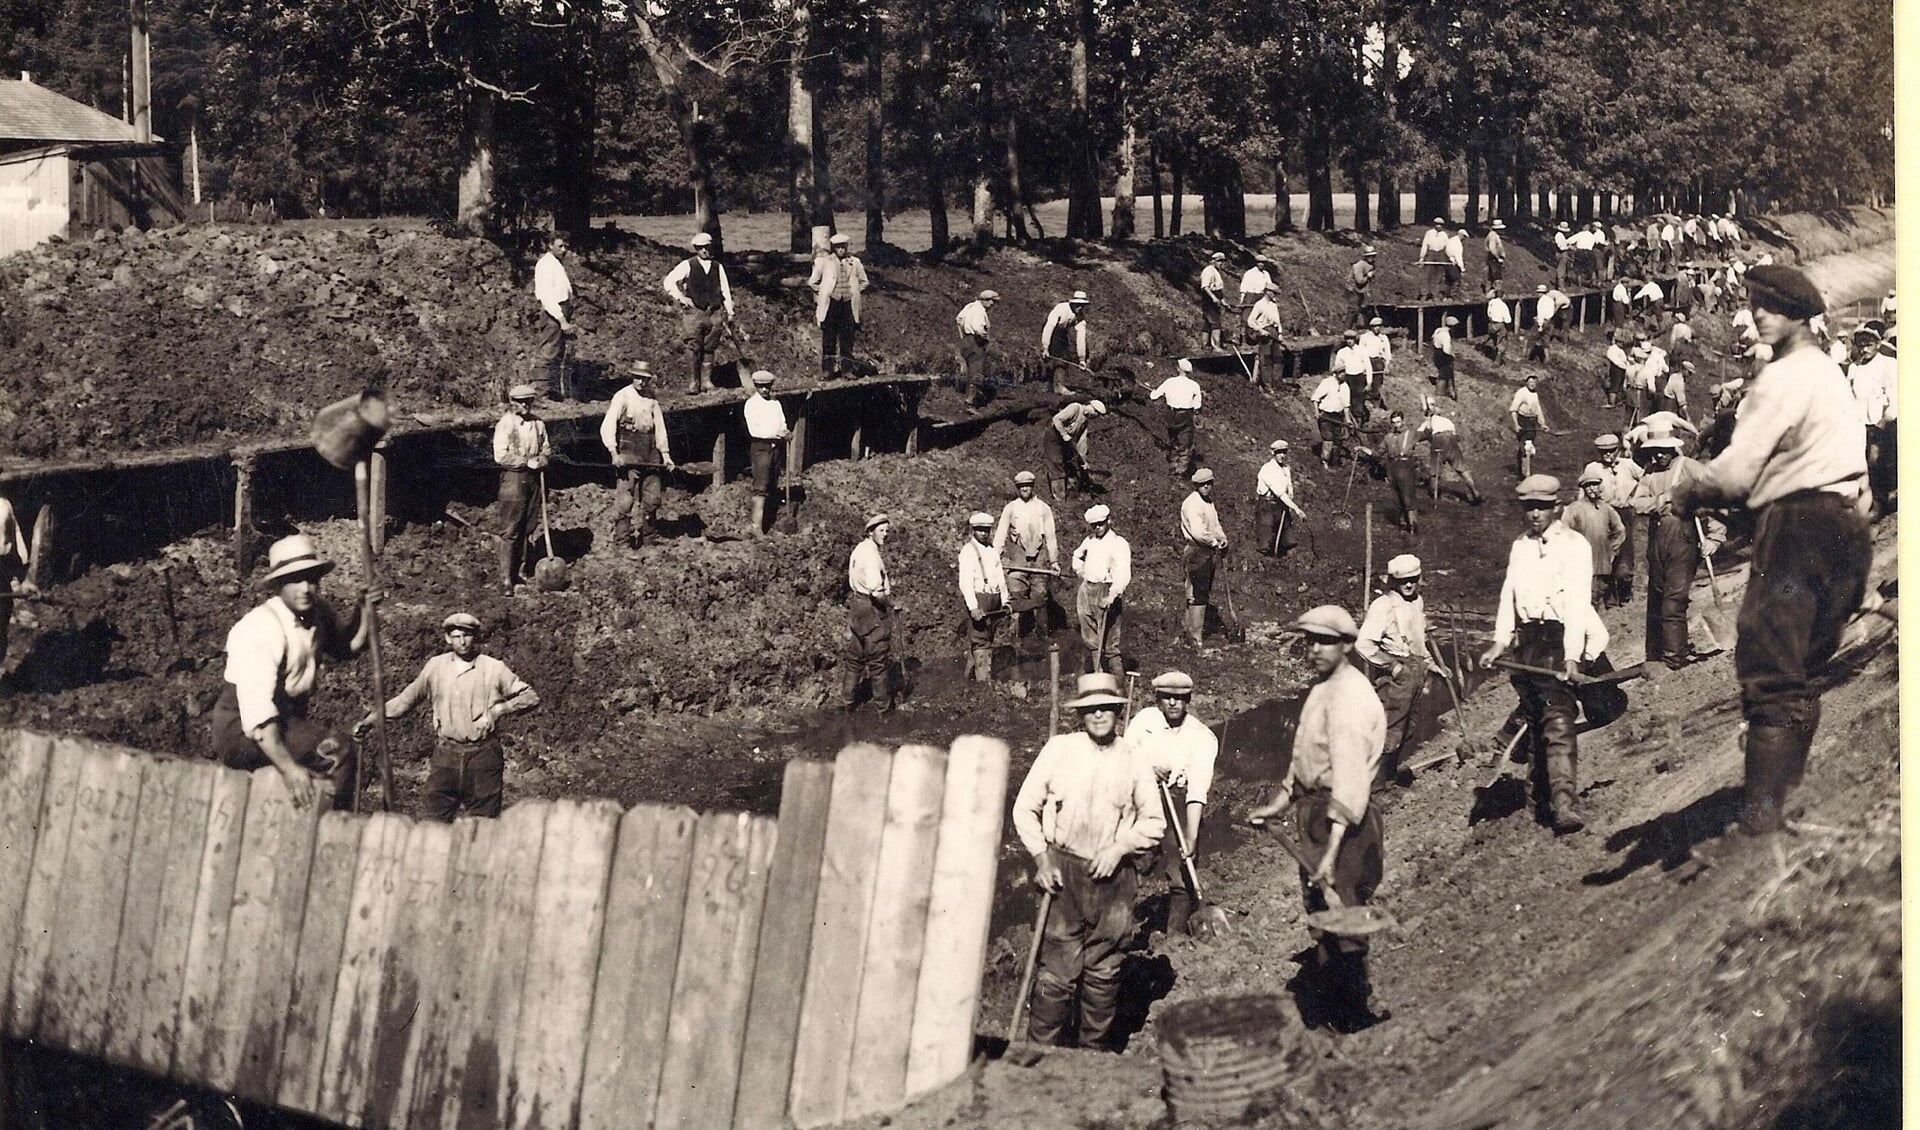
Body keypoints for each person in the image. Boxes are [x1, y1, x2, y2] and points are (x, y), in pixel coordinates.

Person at [1671, 265, 1871, 840]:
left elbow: (1735, 473)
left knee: (1769, 665)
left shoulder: (1781, 377)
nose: (1760, 314)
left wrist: (1688, 491)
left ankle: (1759, 821)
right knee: (1804, 667)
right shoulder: (1832, 373)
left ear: (1800, 315)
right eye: (1756, 303)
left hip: (1797, 530)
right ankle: (1777, 801)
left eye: (1773, 306)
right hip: (1846, 529)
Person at [1246, 605, 1388, 1032]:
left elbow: (1348, 778)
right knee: (1323, 913)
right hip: (1317, 813)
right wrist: (1281, 800)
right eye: (1309, 641)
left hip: (1340, 819)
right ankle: (1334, 1013)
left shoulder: (1348, 698)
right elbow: (1305, 758)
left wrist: (1331, 848)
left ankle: (1350, 1018)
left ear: (1347, 645)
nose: (1314, 649)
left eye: (1324, 641)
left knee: (1341, 914)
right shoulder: (1323, 689)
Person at [1012, 673, 1164, 1049]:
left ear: (1117, 711)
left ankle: (1090, 1058)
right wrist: (1042, 858)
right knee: (1056, 974)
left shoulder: (1133, 757)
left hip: (1114, 879)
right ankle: (1039, 1056)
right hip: (1064, 875)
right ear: (1080, 714)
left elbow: (1155, 822)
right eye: (1090, 709)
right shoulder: (1059, 750)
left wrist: (1119, 848)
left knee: (1104, 971)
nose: (1098, 715)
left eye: (1106, 708)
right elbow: (1024, 809)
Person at [212, 535, 373, 812]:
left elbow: (348, 647)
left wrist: (365, 610)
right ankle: (328, 830)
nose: (306, 588)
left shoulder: (317, 613)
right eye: (296, 580)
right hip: (241, 729)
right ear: (278, 585)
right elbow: (259, 717)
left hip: (285, 720)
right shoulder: (260, 629)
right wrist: (289, 768)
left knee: (328, 749)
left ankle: (320, 816)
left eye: (312, 579)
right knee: (338, 751)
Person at [1479, 474, 1593, 834]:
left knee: (1557, 719)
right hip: (1527, 642)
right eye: (1528, 507)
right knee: (1533, 713)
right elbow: (1507, 595)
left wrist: (1572, 655)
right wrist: (1500, 641)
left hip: (1558, 638)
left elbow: (1578, 604)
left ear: (1557, 507)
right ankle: (1537, 796)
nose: (1534, 514)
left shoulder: (1574, 545)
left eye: (1542, 507)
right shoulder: (1521, 546)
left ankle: (1564, 803)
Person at [356, 612, 539, 820]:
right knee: (434, 825)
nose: (462, 641)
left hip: (483, 757)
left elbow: (530, 696)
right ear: (448, 638)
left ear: (476, 636)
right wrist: (371, 719)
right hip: (446, 756)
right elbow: (404, 702)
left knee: (483, 827)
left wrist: (498, 710)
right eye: (457, 636)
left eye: (467, 635)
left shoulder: (493, 668)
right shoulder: (436, 667)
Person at [1126, 670, 1219, 937]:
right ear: (1158, 700)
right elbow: (1122, 756)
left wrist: (1191, 838)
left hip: (1176, 801)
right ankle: (1120, 930)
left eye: (1179, 698)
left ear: (1188, 699)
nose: (1173, 703)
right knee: (1128, 862)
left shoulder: (1202, 737)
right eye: (1166, 698)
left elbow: (1197, 790)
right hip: (1139, 798)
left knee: (1182, 871)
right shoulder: (1144, 721)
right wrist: (1145, 768)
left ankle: (1175, 937)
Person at [1629, 429, 1705, 668]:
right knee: (1658, 595)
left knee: (1674, 599)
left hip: (1683, 535)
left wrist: (1715, 536)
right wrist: (1661, 499)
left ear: (1673, 448)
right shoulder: (1649, 473)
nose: (1659, 455)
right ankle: (1660, 654)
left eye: (1664, 450)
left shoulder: (1688, 466)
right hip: (1657, 538)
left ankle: (1673, 658)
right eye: (1655, 451)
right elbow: (1637, 502)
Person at [1357, 556, 1428, 783]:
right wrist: (1394, 666)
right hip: (1395, 676)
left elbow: (1419, 641)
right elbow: (1364, 644)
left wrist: (1432, 663)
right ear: (1393, 582)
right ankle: (1375, 787)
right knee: (1389, 730)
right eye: (1403, 581)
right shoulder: (1383, 606)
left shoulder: (1417, 602)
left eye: (1413, 580)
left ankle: (1388, 778)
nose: (1408, 585)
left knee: (1407, 729)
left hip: (1416, 670)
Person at [600, 361, 675, 549]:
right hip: (629, 447)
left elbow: (660, 427)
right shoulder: (622, 396)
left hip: (650, 449)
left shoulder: (651, 398)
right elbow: (608, 424)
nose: (641, 382)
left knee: (652, 498)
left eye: (644, 379)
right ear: (632, 376)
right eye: (637, 378)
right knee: (626, 499)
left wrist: (665, 454)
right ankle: (623, 542)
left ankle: (649, 538)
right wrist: (613, 452)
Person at [493, 384, 552, 595]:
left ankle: (521, 571)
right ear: (513, 403)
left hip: (534, 479)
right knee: (510, 529)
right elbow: (500, 455)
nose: (525, 405)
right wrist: (526, 462)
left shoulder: (538, 423)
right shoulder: (506, 424)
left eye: (529, 401)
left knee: (528, 526)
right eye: (521, 402)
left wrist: (543, 458)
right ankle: (506, 579)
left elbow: (546, 447)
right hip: (513, 478)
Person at [662, 232, 737, 395]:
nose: (704, 251)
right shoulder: (688, 265)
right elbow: (669, 281)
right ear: (696, 249)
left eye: (707, 247)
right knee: (693, 345)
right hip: (695, 312)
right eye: (700, 248)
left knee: (710, 346)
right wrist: (681, 298)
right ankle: (693, 382)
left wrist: (729, 311)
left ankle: (707, 381)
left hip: (714, 312)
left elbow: (725, 290)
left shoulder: (718, 267)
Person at [995, 470, 1061, 646]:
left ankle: (1042, 635)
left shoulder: (1043, 508)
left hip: (1038, 558)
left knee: (1040, 596)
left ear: (1032, 487)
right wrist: (995, 557)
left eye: (1027, 486)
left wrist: (1054, 561)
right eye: (1021, 486)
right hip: (1018, 558)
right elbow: (1001, 534)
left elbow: (1051, 536)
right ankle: (1016, 637)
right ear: (1017, 488)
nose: (1025, 489)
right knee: (1017, 596)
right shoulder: (1011, 508)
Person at [845, 514, 900, 712]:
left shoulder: (859, 549)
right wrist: (891, 604)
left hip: (857, 607)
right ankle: (883, 709)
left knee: (855, 657)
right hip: (872, 608)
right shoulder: (871, 556)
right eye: (881, 531)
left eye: (887, 531)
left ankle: (848, 702)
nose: (885, 535)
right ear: (870, 532)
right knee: (878, 661)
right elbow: (876, 592)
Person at [1071, 504, 1131, 677]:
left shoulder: (1118, 543)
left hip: (1106, 591)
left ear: (1109, 521)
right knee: (1091, 639)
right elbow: (1077, 555)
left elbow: (1122, 574)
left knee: (1110, 642)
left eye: (1100, 524)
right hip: (1087, 590)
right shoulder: (1089, 541)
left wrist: (1111, 596)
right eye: (1093, 525)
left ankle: (1118, 688)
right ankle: (1099, 680)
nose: (1097, 528)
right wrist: (1081, 571)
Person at [1178, 468, 1229, 647]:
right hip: (1196, 551)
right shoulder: (1193, 504)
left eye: (1209, 483)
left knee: (1200, 593)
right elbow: (1199, 533)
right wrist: (1214, 542)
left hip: (1207, 550)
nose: (1206, 487)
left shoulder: (1208, 502)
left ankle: (1190, 634)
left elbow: (1214, 524)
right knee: (1197, 595)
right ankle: (1195, 638)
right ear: (1196, 485)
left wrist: (1222, 538)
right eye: (1202, 484)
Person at [809, 233, 869, 378]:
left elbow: (864, 281)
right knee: (829, 339)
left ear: (847, 247)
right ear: (833, 248)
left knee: (847, 339)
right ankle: (828, 370)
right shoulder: (823, 262)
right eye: (838, 247)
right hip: (831, 305)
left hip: (848, 305)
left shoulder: (854, 262)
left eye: (843, 247)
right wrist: (825, 292)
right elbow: (812, 282)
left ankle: (847, 370)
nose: (841, 250)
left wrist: (853, 292)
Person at [1563, 470, 1626, 608]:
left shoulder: (1606, 508)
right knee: (1583, 597)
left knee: (1597, 594)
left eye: (1595, 485)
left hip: (1602, 561)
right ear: (1583, 488)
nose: (1592, 488)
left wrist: (1612, 550)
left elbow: (1619, 530)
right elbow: (1564, 532)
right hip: (1581, 562)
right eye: (1588, 486)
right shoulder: (1574, 509)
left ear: (1599, 487)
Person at [958, 511, 1009, 683]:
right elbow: (965, 582)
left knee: (988, 637)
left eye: (987, 530)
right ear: (973, 530)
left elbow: (1000, 577)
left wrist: (1005, 599)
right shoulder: (968, 551)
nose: (984, 533)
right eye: (980, 530)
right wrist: (973, 607)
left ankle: (969, 677)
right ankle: (983, 685)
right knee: (980, 640)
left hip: (994, 598)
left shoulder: (991, 550)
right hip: (980, 598)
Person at [743, 370, 791, 535]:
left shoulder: (775, 403)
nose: (765, 390)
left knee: (772, 484)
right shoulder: (752, 404)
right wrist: (775, 434)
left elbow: (782, 422)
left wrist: (785, 431)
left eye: (767, 387)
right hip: (761, 447)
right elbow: (754, 430)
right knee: (760, 486)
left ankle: (769, 521)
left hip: (776, 447)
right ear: (756, 386)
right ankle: (756, 526)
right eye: (761, 387)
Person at [532, 231, 576, 400]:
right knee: (548, 352)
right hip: (553, 314)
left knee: (557, 353)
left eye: (566, 246)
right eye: (560, 246)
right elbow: (547, 296)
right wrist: (562, 320)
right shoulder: (545, 265)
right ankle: (541, 394)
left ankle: (553, 393)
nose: (564, 250)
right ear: (550, 245)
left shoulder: (556, 264)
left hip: (561, 311)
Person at [1418, 400, 1483, 504]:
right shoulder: (1447, 420)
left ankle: (1434, 496)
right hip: (1452, 441)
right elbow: (1454, 434)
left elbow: (1420, 436)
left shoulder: (1427, 423)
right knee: (1462, 469)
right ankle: (1475, 492)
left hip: (1439, 440)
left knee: (1435, 471)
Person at [1150, 359, 1204, 476]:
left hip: (1171, 415)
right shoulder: (1194, 385)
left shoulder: (1169, 382)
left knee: (1173, 438)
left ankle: (1173, 464)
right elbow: (1197, 405)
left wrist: (1155, 392)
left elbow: (1154, 396)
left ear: (1178, 369)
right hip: (1185, 415)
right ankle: (1181, 470)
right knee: (1185, 443)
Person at [1046, 398, 1107, 499]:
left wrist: (1083, 461)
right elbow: (1056, 419)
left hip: (1066, 441)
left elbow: (1081, 442)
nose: (1096, 417)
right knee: (1056, 463)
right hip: (1054, 436)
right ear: (1093, 409)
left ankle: (1071, 494)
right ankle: (1059, 496)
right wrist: (1064, 434)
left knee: (1070, 464)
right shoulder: (1075, 408)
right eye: (1097, 414)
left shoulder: (1084, 422)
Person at [1255, 440, 1306, 558]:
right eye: (1279, 452)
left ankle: (1291, 559)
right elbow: (1280, 493)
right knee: (1266, 533)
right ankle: (1264, 561)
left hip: (1281, 504)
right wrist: (1297, 509)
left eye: (1284, 452)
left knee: (1287, 532)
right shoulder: (1267, 469)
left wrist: (1291, 492)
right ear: (1273, 452)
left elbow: (1288, 486)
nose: (1282, 455)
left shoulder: (1286, 469)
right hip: (1266, 505)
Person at [1041, 290, 1092, 393]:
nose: (1080, 307)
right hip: (1052, 329)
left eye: (1082, 305)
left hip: (1062, 332)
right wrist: (1045, 347)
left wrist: (1081, 359)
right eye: (1078, 305)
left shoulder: (1080, 317)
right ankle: (1058, 386)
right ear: (1072, 303)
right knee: (1059, 356)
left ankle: (1056, 384)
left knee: (1065, 355)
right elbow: (1049, 326)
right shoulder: (1061, 309)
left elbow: (1080, 338)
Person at [1380, 410, 1422, 534]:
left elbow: (1427, 433)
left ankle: (1413, 527)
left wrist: (1430, 418)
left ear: (1402, 421)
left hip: (1405, 466)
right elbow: (1378, 452)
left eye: (1398, 422)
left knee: (1408, 498)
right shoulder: (1388, 437)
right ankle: (1403, 527)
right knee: (1396, 499)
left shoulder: (1411, 433)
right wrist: (1363, 449)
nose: (1396, 425)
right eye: (1393, 423)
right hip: (1392, 467)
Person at [955, 289, 998, 408]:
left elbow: (958, 320)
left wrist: (963, 335)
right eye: (991, 301)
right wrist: (984, 336)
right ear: (984, 300)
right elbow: (978, 327)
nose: (992, 304)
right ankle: (969, 402)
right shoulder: (979, 311)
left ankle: (971, 396)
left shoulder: (969, 307)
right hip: (975, 341)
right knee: (976, 372)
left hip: (966, 341)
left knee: (971, 369)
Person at [1309, 370, 1352, 468]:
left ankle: (1336, 463)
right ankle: (1325, 462)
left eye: (1344, 373)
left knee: (1338, 440)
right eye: (1341, 373)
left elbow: (1346, 406)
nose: (1343, 375)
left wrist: (1348, 420)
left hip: (1338, 416)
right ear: (1336, 373)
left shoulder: (1345, 386)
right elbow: (1315, 398)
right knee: (1328, 439)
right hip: (1326, 415)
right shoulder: (1327, 383)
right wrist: (1316, 411)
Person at [1508, 374, 1549, 475]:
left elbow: (1537, 409)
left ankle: (1525, 471)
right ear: (1526, 382)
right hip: (1523, 420)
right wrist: (1516, 424)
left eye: (1534, 383)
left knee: (1530, 446)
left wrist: (1543, 424)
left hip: (1532, 422)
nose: (1532, 385)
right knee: (1525, 446)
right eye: (1530, 382)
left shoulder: (1535, 394)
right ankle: (1523, 474)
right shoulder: (1521, 393)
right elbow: (1513, 409)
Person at [1245, 286, 1286, 387]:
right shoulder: (1259, 305)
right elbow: (1250, 321)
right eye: (1273, 293)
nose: (1274, 295)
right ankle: (1267, 385)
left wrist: (1280, 333)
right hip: (1265, 334)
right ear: (1267, 292)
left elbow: (1278, 321)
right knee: (1266, 360)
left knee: (1278, 358)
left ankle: (1277, 383)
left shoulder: (1273, 305)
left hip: (1274, 332)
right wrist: (1261, 330)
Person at [1335, 329, 1372, 421]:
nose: (1349, 341)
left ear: (1355, 339)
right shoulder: (1342, 352)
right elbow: (1337, 368)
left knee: (1359, 399)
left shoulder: (1362, 350)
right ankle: (1349, 421)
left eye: (1351, 339)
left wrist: (1369, 382)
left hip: (1359, 378)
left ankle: (1359, 420)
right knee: (1347, 399)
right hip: (1347, 378)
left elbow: (1368, 367)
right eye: (1347, 339)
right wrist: (1337, 382)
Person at [1199, 252, 1228, 350]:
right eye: (1219, 261)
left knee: (1207, 323)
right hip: (1209, 299)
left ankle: (1205, 345)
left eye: (1222, 261)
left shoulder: (1217, 271)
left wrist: (1223, 300)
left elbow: (1218, 289)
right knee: (1215, 323)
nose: (1221, 263)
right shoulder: (1208, 271)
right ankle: (1216, 346)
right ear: (1213, 261)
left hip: (1215, 298)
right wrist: (1213, 297)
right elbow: (1205, 287)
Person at [1359, 317, 1393, 398]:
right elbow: (1360, 351)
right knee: (1365, 379)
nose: (1377, 328)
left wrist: (1387, 366)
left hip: (1378, 361)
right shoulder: (1364, 337)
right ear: (1371, 327)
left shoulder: (1383, 338)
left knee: (1377, 382)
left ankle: (1375, 399)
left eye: (1379, 326)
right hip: (1367, 360)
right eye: (1375, 326)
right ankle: (1365, 397)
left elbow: (1387, 353)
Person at [1430, 316, 1459, 400]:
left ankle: (1444, 391)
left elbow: (1432, 339)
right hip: (1443, 356)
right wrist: (1452, 355)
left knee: (1443, 374)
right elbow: (1446, 350)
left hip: (1436, 353)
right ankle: (1440, 393)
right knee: (1443, 375)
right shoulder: (1446, 335)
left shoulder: (1438, 330)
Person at [1347, 246, 1377, 326]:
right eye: (1369, 256)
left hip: (1361, 289)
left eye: (1373, 256)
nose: (1371, 258)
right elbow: (1359, 281)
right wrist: (1368, 276)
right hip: (1354, 289)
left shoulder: (1371, 265)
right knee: (1353, 309)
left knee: (1362, 308)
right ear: (1365, 256)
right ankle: (1347, 329)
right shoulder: (1359, 265)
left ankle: (1359, 326)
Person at [1603, 332, 1630, 410]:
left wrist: (1626, 364)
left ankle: (1618, 400)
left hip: (1622, 368)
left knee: (1620, 385)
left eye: (1622, 342)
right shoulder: (1612, 349)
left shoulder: (1621, 350)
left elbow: (1624, 359)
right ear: (1616, 341)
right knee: (1615, 384)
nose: (1621, 343)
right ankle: (1611, 402)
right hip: (1616, 369)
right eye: (1620, 342)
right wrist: (1622, 364)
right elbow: (1614, 360)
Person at [1486, 287, 1512, 363]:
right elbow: (1508, 320)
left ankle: (1494, 354)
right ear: (1502, 296)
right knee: (1502, 343)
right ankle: (1497, 362)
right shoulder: (1503, 306)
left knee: (1494, 340)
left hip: (1491, 324)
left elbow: (1489, 314)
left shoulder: (1491, 303)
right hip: (1499, 325)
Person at [1530, 285, 1555, 362]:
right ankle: (1546, 357)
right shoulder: (1550, 300)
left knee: (1532, 338)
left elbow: (1541, 313)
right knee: (1546, 339)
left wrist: (1540, 325)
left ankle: (1529, 357)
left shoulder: (1541, 302)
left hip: (1542, 322)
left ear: (1540, 293)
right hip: (1549, 321)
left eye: (1538, 293)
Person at [1444, 225, 1465, 295]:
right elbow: (1458, 256)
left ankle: (1446, 295)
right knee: (1456, 279)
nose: (1464, 239)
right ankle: (1453, 295)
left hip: (1447, 261)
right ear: (1461, 235)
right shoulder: (1458, 244)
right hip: (1454, 263)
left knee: (1448, 280)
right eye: (1464, 237)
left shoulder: (1451, 240)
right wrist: (1462, 268)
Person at [1552, 221, 1572, 288]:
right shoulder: (1559, 236)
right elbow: (1561, 247)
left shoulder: (1561, 235)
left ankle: (1560, 285)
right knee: (1561, 269)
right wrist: (1568, 247)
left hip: (1563, 253)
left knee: (1563, 269)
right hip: (1562, 253)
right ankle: (1561, 286)